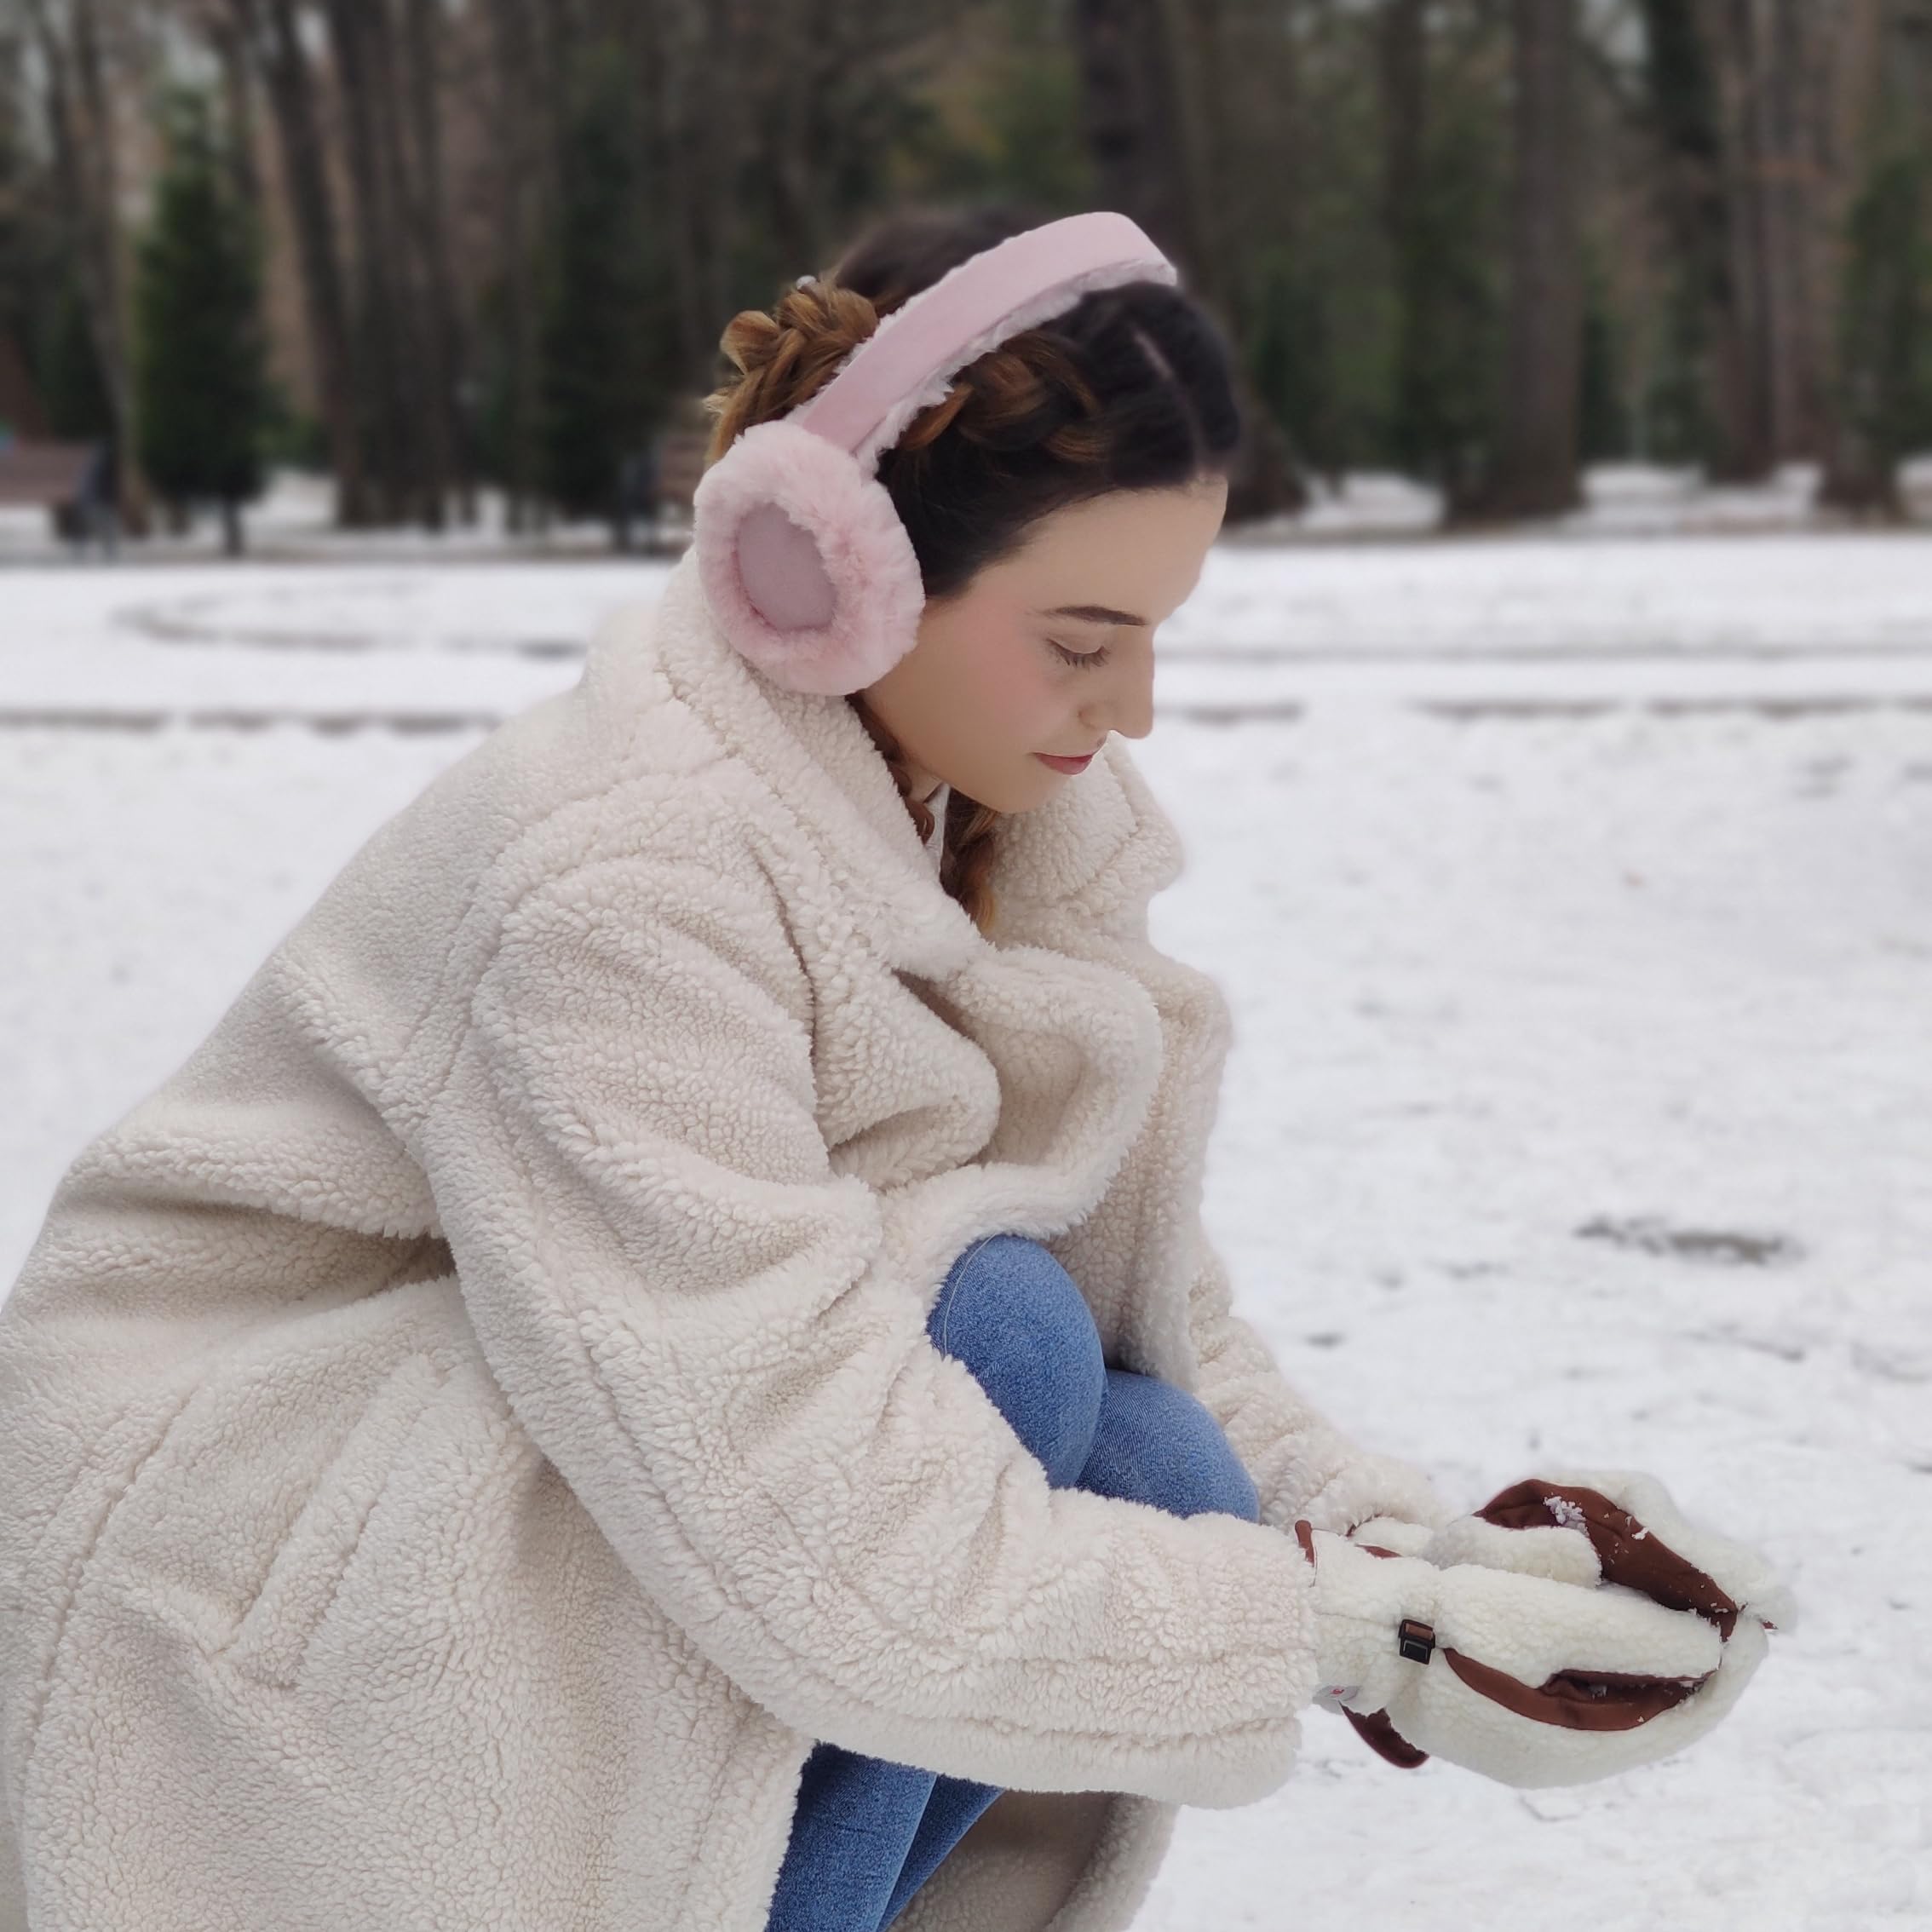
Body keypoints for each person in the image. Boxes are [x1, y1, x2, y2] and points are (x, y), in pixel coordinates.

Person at [0, 204, 1787, 1932]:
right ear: (832, 582)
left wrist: (1430, 1566)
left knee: (1160, 1455)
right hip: (232, 1526)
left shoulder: (998, 819)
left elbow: (1151, 1317)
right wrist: (1346, 1633)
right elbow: (820, 1522)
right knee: (995, 1331)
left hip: (577, 1421)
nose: (1135, 709)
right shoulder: (625, 875)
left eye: (1159, 633)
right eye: (1086, 640)